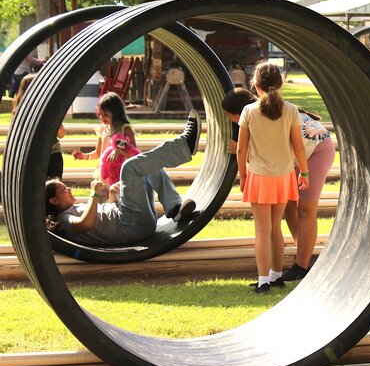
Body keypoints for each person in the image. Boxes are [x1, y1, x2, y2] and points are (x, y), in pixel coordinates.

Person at [222, 87, 334, 282]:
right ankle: (300, 257)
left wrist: (244, 155)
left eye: (229, 116)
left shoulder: (264, 113)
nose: (229, 120)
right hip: (294, 160)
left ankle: (303, 264)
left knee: (305, 209)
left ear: (238, 114)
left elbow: (274, 150)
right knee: (289, 210)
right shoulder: (261, 110)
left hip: (316, 151)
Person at [45, 112, 200, 247]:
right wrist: (94, 194)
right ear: (54, 201)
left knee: (145, 165)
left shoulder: (73, 209)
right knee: (129, 167)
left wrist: (113, 198)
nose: (69, 190)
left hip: (131, 220)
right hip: (130, 225)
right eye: (64, 190)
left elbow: (102, 222)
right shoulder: (64, 219)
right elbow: (86, 224)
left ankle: (174, 207)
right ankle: (185, 146)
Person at [237, 62, 309, 294]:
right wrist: (304, 173)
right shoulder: (291, 110)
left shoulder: (248, 111)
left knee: (262, 230)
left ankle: (263, 281)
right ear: (280, 83)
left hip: (259, 177)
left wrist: (242, 175)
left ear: (255, 85)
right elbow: (299, 147)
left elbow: (241, 149)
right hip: (284, 176)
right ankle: (276, 276)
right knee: (276, 228)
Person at [72, 92, 140, 186]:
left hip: (121, 175)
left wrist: (120, 151)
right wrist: (84, 156)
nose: (102, 118)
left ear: (116, 113)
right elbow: (98, 153)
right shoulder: (103, 130)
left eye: (106, 115)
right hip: (105, 174)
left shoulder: (125, 129)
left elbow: (135, 155)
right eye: (100, 115)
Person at [12, 72, 65, 179]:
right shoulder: (21, 113)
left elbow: (61, 133)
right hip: (39, 155)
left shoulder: (48, 109)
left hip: (46, 154)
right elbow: (61, 133)